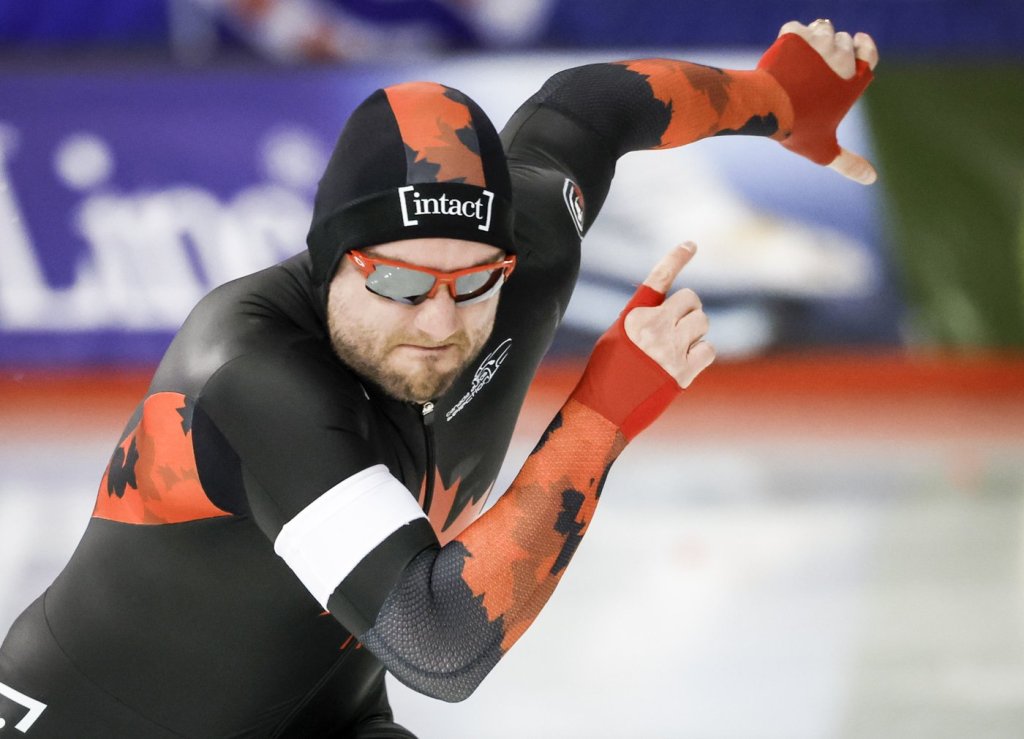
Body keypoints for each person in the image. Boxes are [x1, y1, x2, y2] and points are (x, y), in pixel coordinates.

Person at [0, 19, 877, 737]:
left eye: (475, 281)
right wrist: (605, 411)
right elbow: (440, 642)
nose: (438, 322)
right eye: (398, 281)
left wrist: (780, 101)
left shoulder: (531, 253)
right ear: (330, 258)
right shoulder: (253, 375)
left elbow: (595, 106)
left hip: (319, 716)